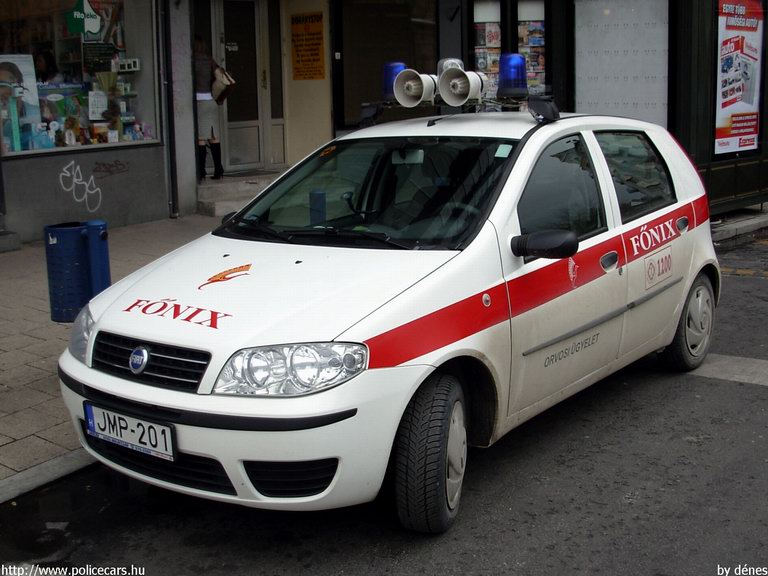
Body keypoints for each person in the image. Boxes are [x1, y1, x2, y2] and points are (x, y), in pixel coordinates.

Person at [194, 35, 224, 181]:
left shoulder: (193, 61)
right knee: (214, 136)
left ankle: (201, 171)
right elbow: (220, 76)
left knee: (200, 138)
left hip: (199, 102)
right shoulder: (209, 60)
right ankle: (219, 169)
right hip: (211, 101)